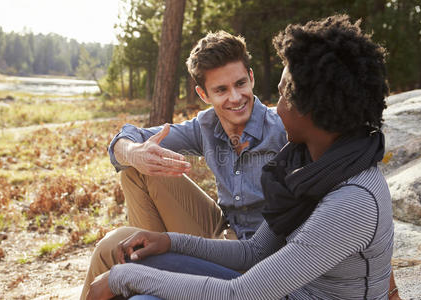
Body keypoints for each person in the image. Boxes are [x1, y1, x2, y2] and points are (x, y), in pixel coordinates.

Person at [87, 15, 396, 299]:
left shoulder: (353, 196)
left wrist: (124, 279)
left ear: (312, 105)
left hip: (265, 288)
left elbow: (241, 293)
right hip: (266, 278)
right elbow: (254, 252)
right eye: (221, 90)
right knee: (126, 258)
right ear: (204, 94)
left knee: (141, 291)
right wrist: (168, 241)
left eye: (284, 94)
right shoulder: (307, 161)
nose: (276, 106)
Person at [80, 30, 288, 299]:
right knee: (138, 168)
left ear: (251, 77)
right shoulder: (207, 125)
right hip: (220, 232)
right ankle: (148, 265)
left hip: (257, 254)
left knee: (110, 246)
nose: (235, 97)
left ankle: (148, 274)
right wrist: (134, 153)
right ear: (203, 94)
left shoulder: (283, 128)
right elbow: (127, 137)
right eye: (221, 90)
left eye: (240, 84)